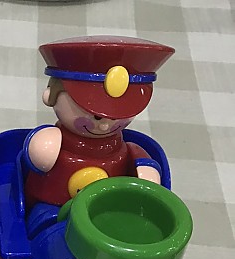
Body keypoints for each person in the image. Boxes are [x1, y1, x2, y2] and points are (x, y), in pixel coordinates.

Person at [24, 36, 174, 209]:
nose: (104, 125)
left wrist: (146, 169)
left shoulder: (124, 148)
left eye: (116, 117)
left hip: (105, 212)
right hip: (51, 204)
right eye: (96, 116)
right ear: (50, 96)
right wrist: (42, 148)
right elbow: (37, 159)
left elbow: (140, 162)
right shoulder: (56, 140)